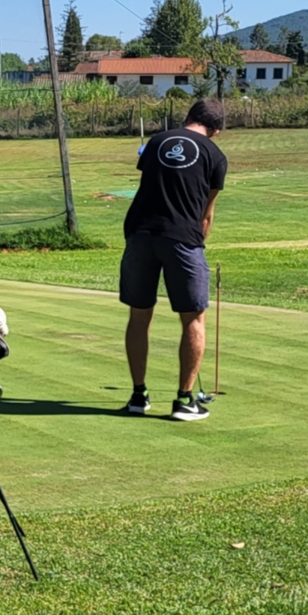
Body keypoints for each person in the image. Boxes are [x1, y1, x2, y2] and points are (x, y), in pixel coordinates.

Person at [118, 97, 226, 421]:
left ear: (189, 116)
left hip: (139, 234)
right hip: (182, 239)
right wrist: (197, 242)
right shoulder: (216, 155)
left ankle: (139, 396)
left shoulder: (156, 142)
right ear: (216, 130)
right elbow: (206, 215)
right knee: (193, 318)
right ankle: (183, 401)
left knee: (139, 316)